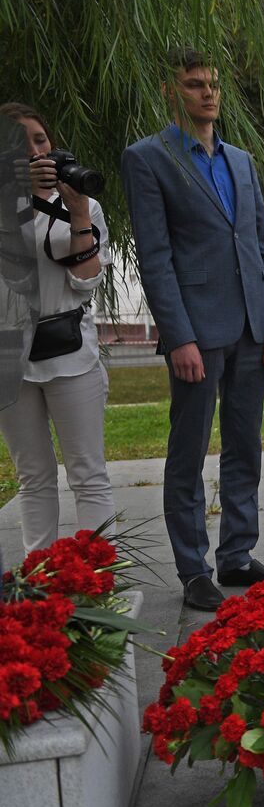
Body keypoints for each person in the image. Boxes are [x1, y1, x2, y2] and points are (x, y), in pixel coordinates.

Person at [120, 49, 264, 612]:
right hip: (197, 331)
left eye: (213, 85)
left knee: (246, 444)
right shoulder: (148, 158)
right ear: (174, 94)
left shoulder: (242, 162)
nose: (208, 94)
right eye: (195, 85)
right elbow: (155, 256)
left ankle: (237, 557)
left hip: (250, 327)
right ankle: (194, 569)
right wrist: (179, 336)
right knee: (188, 451)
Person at [0, 103, 114, 552]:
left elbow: (84, 281)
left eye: (40, 139)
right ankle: (41, 583)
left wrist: (80, 212)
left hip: (70, 351)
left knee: (87, 471)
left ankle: (98, 579)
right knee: (33, 477)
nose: (35, 151)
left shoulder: (83, 205)